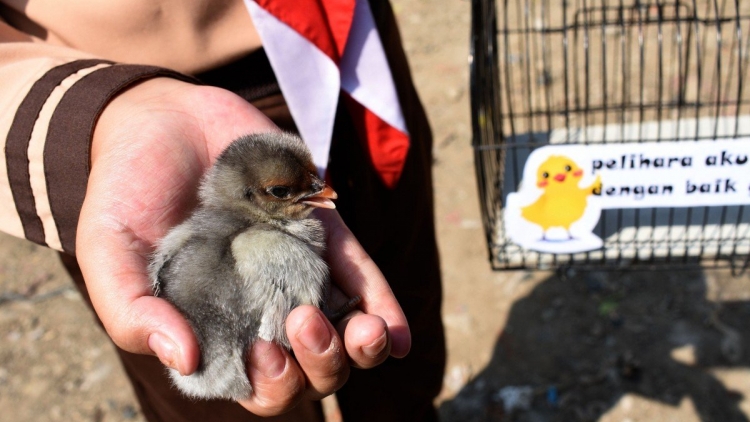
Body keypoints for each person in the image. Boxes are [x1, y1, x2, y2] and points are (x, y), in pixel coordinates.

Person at [0, 1, 445, 421]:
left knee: (400, 359)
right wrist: (85, 110)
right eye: (282, 193)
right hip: (112, 106)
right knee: (229, 408)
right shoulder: (226, 237)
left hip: (344, 46)